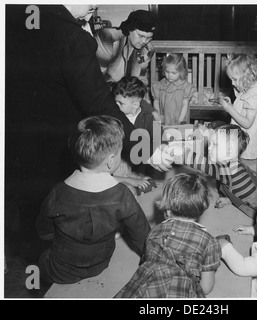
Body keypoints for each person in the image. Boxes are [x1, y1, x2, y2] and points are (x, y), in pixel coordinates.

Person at [5, 5, 171, 257]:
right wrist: (144, 148)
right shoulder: (77, 37)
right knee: (56, 205)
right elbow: (99, 98)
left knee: (37, 211)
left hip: (20, 132)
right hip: (60, 135)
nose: (96, 4)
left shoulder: (18, 16)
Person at [36, 115, 151, 284]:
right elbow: (143, 235)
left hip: (59, 270)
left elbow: (44, 233)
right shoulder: (122, 195)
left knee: (42, 260)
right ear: (111, 161)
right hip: (99, 264)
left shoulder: (57, 192)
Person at [115, 173, 222, 298]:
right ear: (203, 207)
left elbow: (147, 260)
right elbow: (206, 288)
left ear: (167, 211)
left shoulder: (154, 232)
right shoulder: (210, 243)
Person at [168, 124, 257, 219]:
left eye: (215, 145)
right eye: (211, 144)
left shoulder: (225, 170)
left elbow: (198, 162)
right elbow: (253, 175)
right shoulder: (233, 163)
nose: (209, 148)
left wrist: (177, 150)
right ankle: (233, 199)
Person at [219, 53, 257, 175]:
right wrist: (232, 104)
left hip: (251, 134)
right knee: (237, 158)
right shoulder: (248, 86)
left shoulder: (254, 96)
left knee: (249, 163)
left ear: (246, 76)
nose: (232, 83)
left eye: (234, 79)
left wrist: (229, 109)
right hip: (244, 133)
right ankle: (239, 178)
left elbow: (247, 123)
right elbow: (241, 102)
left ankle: (251, 184)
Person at [112, 76, 158, 192]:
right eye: (115, 102)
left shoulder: (148, 117)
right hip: (121, 161)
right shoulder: (115, 117)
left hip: (140, 162)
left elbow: (159, 137)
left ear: (135, 105)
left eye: (120, 103)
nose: (116, 106)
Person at [95, 9, 158, 85]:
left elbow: (140, 81)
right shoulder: (107, 38)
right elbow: (97, 78)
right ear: (129, 29)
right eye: (141, 36)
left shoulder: (147, 50)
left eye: (148, 38)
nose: (144, 41)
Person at [152, 53, 196, 125]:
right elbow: (156, 102)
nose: (169, 75)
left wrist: (180, 120)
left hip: (179, 118)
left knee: (179, 135)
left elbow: (185, 105)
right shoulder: (159, 86)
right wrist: (158, 116)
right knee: (164, 134)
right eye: (167, 71)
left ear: (182, 71)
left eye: (173, 73)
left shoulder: (185, 87)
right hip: (164, 118)